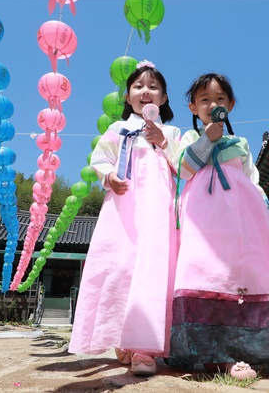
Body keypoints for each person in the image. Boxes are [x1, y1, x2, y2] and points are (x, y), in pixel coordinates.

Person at [169, 73, 269, 378]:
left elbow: (252, 180)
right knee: (207, 274)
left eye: (220, 99)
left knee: (241, 277)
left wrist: (266, 212)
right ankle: (211, 353)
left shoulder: (241, 143)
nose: (213, 104)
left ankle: (240, 350)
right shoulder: (190, 138)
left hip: (241, 220)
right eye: (205, 100)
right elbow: (184, 169)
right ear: (193, 107)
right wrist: (208, 138)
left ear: (230, 105)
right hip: (204, 221)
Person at [68, 61, 181, 376]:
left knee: (153, 270)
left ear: (164, 97)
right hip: (124, 207)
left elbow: (183, 165)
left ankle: (146, 347)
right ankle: (123, 337)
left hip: (158, 210)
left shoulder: (172, 131)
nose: (146, 91)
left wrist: (162, 140)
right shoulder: (118, 129)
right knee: (120, 267)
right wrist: (108, 178)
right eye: (138, 86)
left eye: (153, 86)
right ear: (128, 97)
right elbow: (100, 158)